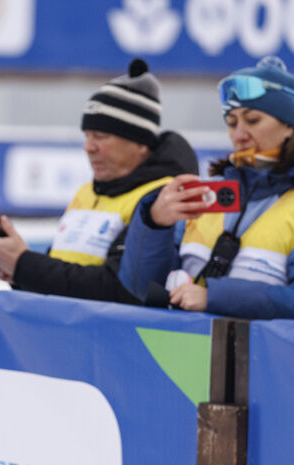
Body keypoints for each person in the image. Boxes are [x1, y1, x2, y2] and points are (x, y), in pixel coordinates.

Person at [0, 59, 198, 304]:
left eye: (101, 136)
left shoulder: (159, 199)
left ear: (140, 144)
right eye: (87, 136)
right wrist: (17, 273)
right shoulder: (86, 192)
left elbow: (117, 289)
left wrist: (25, 265)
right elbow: (62, 275)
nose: (88, 147)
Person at [119, 56, 294, 319]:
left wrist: (214, 298)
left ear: (289, 126)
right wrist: (155, 224)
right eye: (232, 123)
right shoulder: (205, 195)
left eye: (253, 120)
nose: (239, 134)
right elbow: (140, 287)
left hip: (256, 347)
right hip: (184, 345)